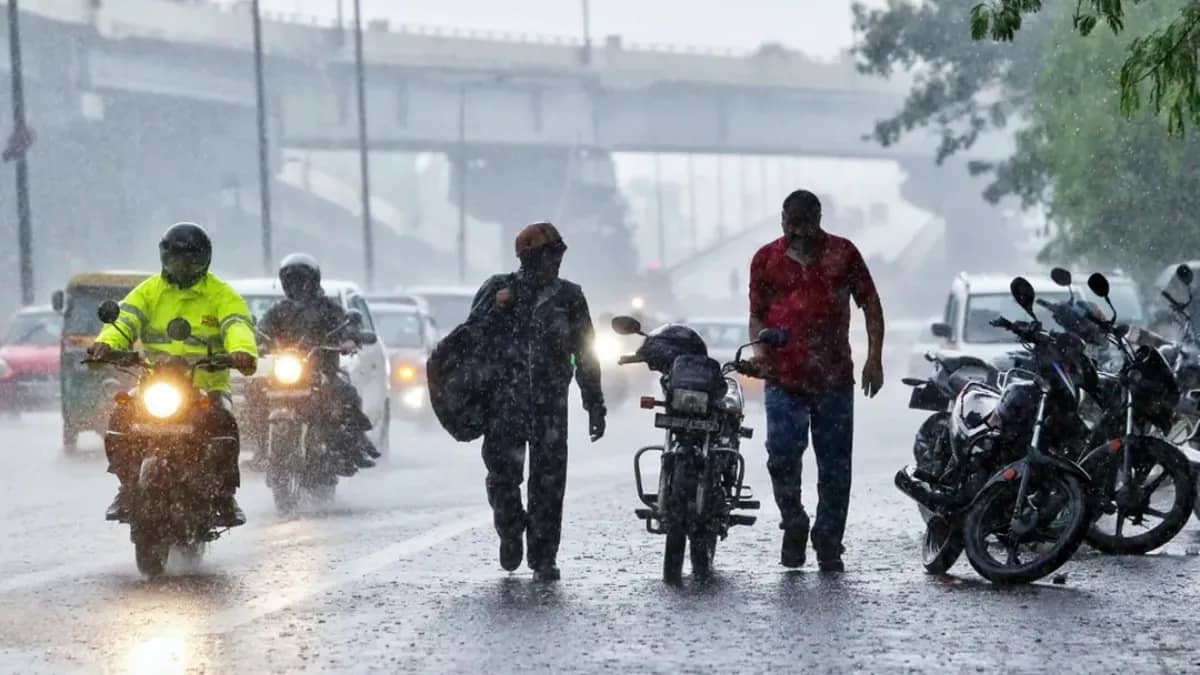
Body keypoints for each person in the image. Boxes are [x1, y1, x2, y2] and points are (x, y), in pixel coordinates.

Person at [748, 190, 885, 572]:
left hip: (834, 379)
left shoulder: (844, 254)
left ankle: (828, 540)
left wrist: (874, 358)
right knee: (781, 456)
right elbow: (757, 317)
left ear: (819, 220)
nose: (799, 234)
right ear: (782, 221)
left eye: (806, 225)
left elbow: (871, 304)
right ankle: (793, 521)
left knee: (836, 466)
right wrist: (761, 355)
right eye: (792, 225)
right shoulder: (765, 259)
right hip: (783, 378)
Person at [89, 222, 258, 526]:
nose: (183, 266)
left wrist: (241, 351)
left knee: (224, 423)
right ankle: (126, 486)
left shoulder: (221, 295)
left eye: (191, 259)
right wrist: (106, 343)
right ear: (164, 258)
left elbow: (237, 324)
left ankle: (225, 494)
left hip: (206, 383)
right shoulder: (150, 291)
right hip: (156, 380)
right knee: (121, 416)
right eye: (176, 258)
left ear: (204, 260)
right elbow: (125, 318)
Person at [467, 222, 606, 581]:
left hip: (549, 405)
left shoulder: (569, 298)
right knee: (502, 477)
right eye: (549, 255)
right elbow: (471, 340)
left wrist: (594, 402)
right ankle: (510, 530)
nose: (556, 262)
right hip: (504, 403)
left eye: (559, 254)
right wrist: (497, 310)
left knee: (548, 484)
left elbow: (586, 353)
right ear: (529, 258)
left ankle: (543, 556)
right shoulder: (497, 290)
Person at [256, 253, 380, 474]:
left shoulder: (328, 308)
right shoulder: (278, 311)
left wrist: (350, 339)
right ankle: (257, 447)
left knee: (346, 394)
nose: (297, 285)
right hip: (286, 373)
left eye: (301, 280)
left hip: (322, 370)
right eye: (292, 280)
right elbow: (262, 331)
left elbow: (346, 326)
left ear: (313, 281)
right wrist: (254, 343)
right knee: (253, 395)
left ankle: (354, 445)